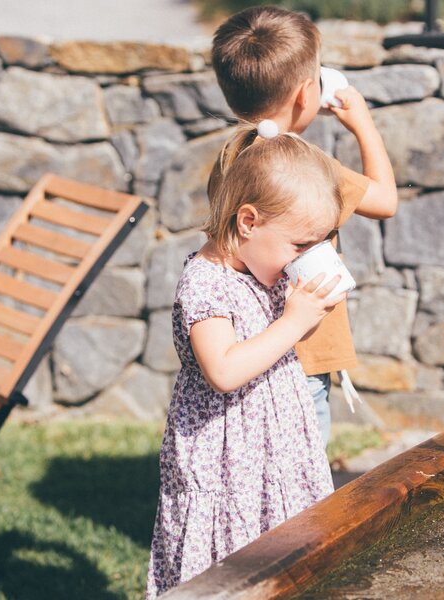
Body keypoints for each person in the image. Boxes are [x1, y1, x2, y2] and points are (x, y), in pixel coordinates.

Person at [145, 123, 345, 598]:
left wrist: (310, 309)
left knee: (284, 559)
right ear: (248, 222)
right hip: (224, 462)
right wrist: (295, 322)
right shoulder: (205, 283)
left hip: (274, 456)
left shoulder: (262, 268)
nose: (308, 255)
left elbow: (271, 346)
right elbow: (224, 370)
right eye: (301, 245)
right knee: (228, 570)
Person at [211, 5, 399, 447]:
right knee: (302, 483)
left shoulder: (231, 159)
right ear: (304, 94)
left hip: (250, 350)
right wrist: (362, 121)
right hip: (305, 355)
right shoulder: (309, 172)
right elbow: (386, 200)